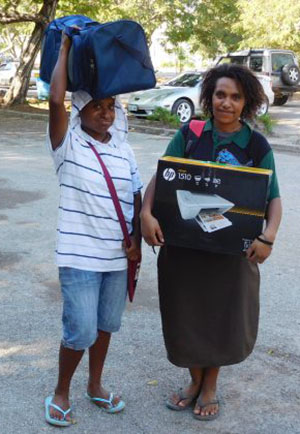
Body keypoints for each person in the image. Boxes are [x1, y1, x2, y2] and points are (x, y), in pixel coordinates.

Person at [140, 63, 282, 421]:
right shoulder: (191, 133)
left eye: (235, 97)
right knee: (186, 314)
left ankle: (210, 386)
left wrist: (268, 237)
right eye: (220, 94)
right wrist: (146, 213)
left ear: (247, 102)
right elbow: (164, 174)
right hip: (185, 250)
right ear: (210, 97)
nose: (227, 103)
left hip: (231, 255)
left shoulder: (256, 144)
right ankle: (194, 381)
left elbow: (273, 198)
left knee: (221, 317)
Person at [44, 33, 142, 427]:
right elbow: (54, 101)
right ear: (81, 110)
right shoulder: (68, 146)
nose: (105, 113)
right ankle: (61, 391)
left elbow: (135, 195)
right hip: (79, 258)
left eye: (110, 107)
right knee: (80, 328)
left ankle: (95, 386)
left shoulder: (124, 149)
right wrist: (66, 48)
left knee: (105, 326)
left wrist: (136, 239)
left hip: (117, 257)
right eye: (97, 107)